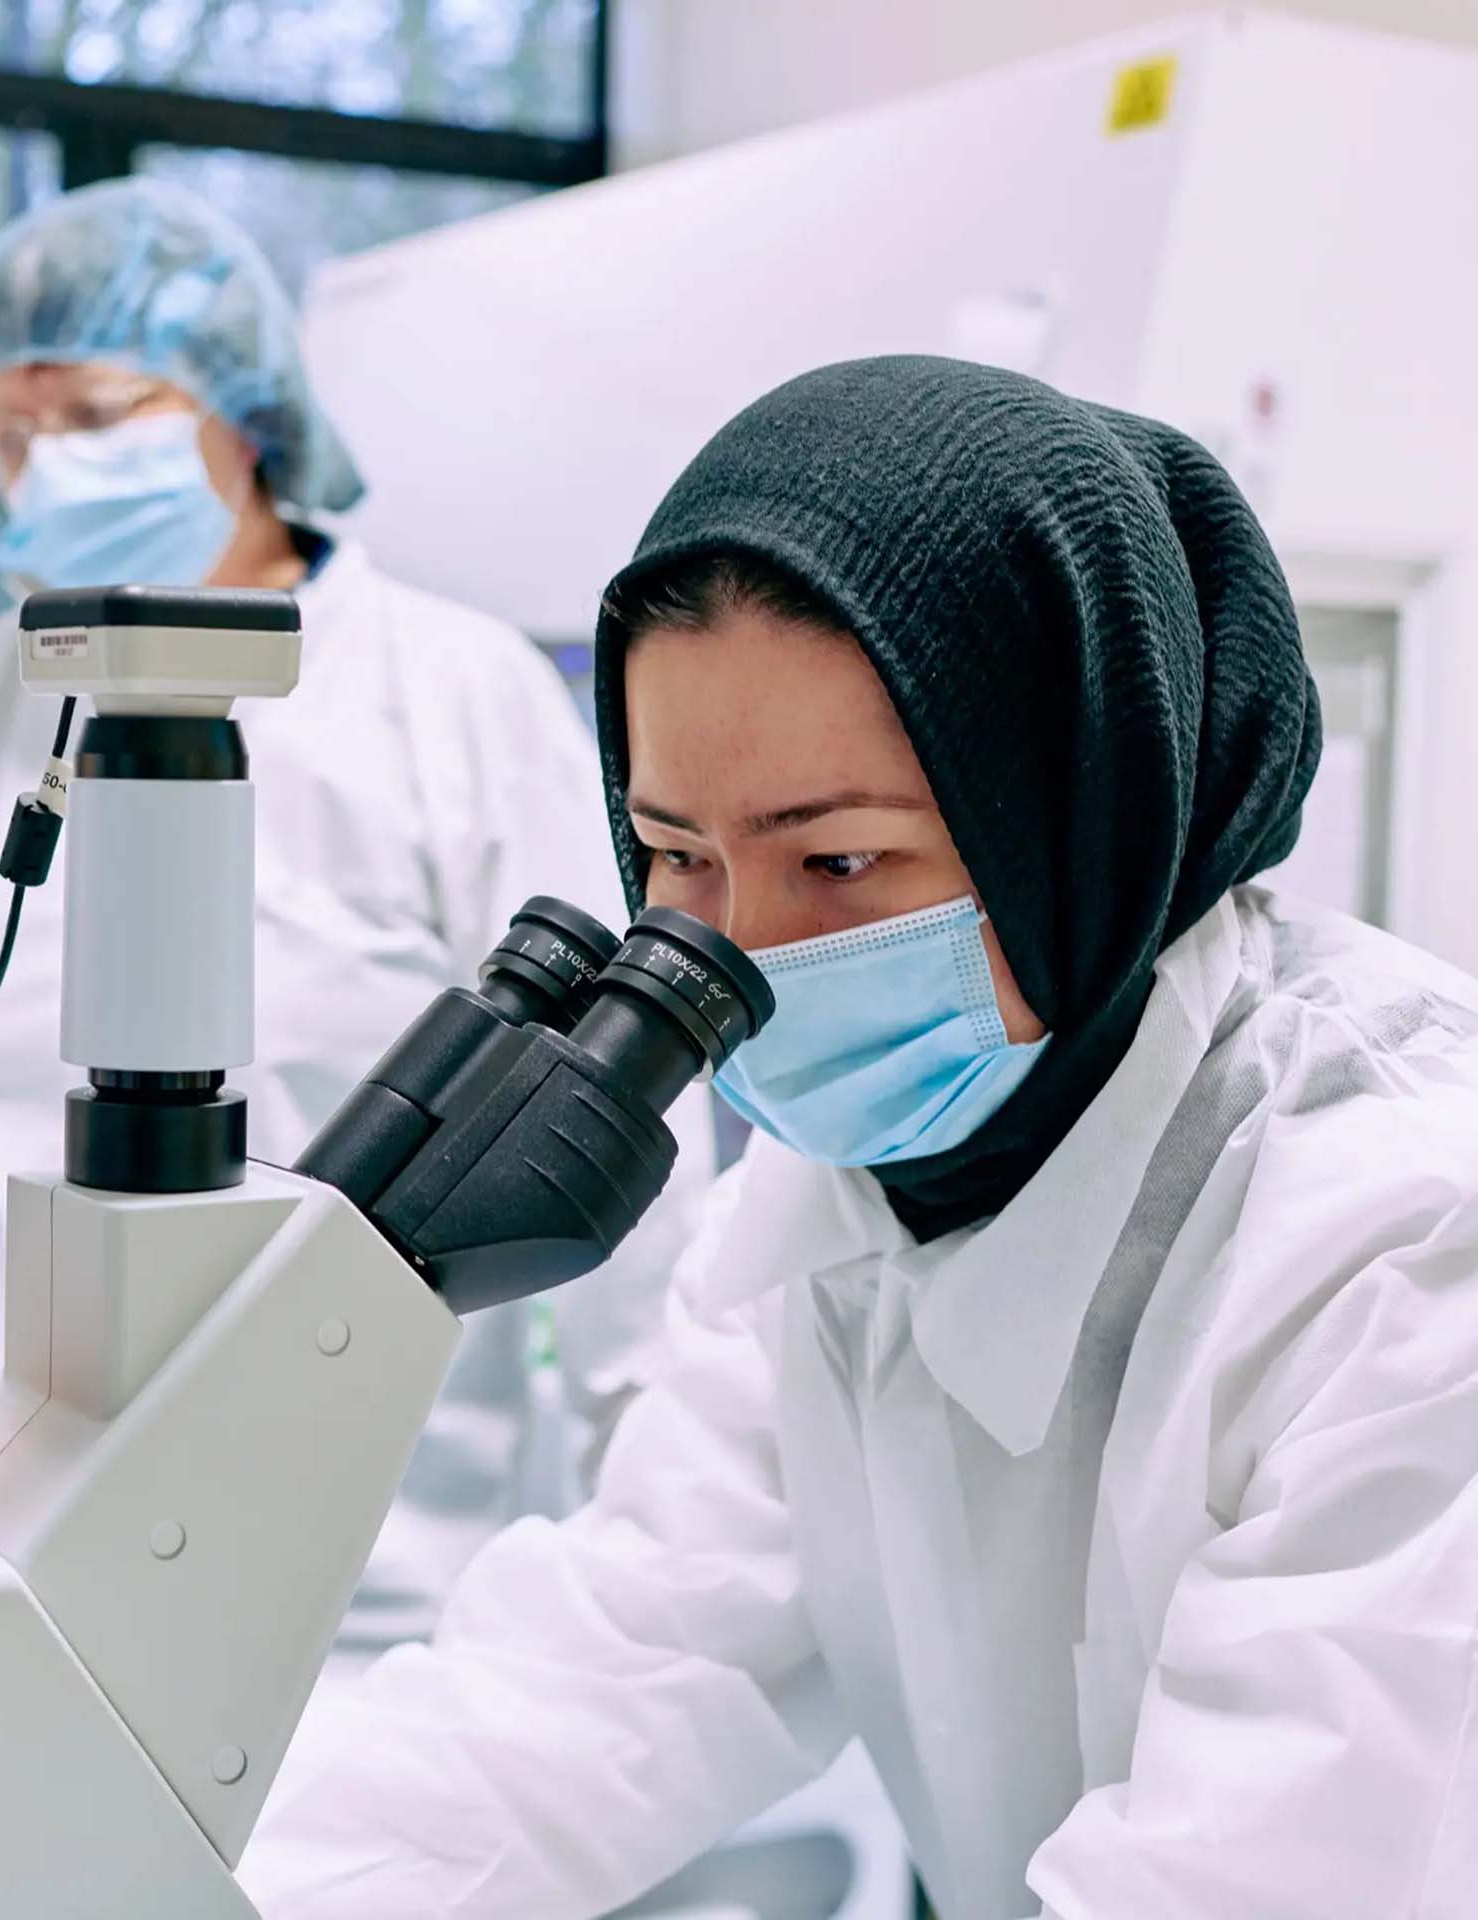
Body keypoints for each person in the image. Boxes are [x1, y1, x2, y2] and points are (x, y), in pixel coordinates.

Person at [239, 355, 1478, 1918]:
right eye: (674, 856)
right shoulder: (836, 1201)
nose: (737, 954)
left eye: (837, 859)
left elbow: (1254, 1878)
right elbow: (596, 1686)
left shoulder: (1406, 1234)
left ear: (1079, 822)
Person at [0, 177, 711, 1666]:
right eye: (11, 435)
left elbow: (612, 1117)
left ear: (245, 416)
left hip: (360, 1585)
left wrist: (669, 1505)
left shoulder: (446, 695)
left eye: (100, 414)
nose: (48, 468)